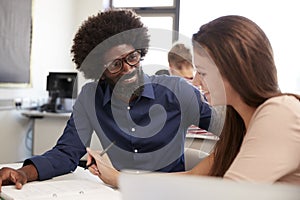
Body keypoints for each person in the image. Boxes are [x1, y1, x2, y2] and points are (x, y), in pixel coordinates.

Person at [0, 9, 213, 190]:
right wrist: (24, 173)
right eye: (115, 65)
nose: (128, 69)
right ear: (100, 71)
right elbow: (66, 153)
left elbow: (233, 129)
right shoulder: (90, 98)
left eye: (132, 57)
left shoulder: (177, 91)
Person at [88, 15, 300, 187]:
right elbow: (194, 175)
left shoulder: (279, 112)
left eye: (204, 73)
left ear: (236, 72)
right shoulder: (239, 126)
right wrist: (119, 178)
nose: (197, 81)